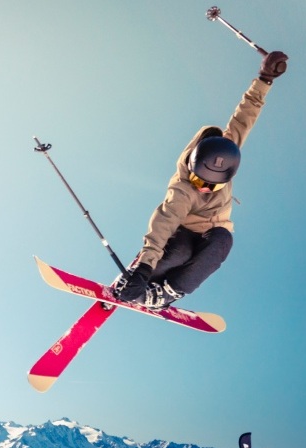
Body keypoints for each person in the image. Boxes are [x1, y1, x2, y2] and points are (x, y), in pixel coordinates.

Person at [114, 50, 289, 310]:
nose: (205, 188)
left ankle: (167, 293)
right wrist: (143, 268)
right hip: (183, 230)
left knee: (222, 242)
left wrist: (264, 78)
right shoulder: (183, 188)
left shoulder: (228, 149)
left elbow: (245, 116)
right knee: (179, 253)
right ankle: (139, 281)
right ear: (194, 166)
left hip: (213, 232)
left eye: (213, 185)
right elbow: (164, 222)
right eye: (201, 180)